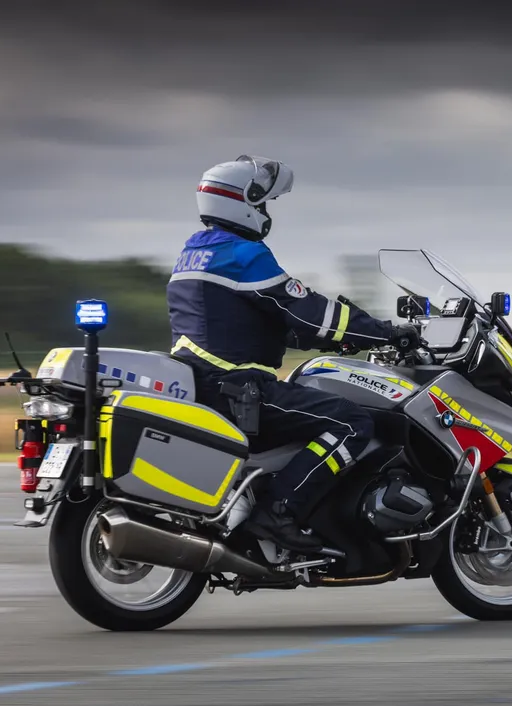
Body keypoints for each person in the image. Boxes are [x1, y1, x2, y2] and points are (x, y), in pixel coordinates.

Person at [166, 155, 418, 553]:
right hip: (240, 390)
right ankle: (279, 511)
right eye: (262, 202)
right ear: (242, 202)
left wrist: (343, 339)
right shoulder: (242, 255)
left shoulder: (194, 252)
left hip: (206, 383)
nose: (265, 212)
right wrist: (388, 332)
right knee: (352, 423)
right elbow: (307, 310)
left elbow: (265, 323)